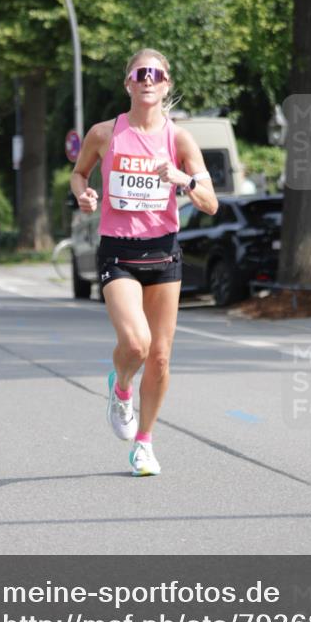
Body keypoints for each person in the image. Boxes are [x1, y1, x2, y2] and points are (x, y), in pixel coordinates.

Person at [70, 49, 218, 476]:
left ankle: (145, 443)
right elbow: (79, 173)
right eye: (141, 73)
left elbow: (210, 204)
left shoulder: (180, 139)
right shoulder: (105, 133)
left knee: (161, 356)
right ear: (129, 83)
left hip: (165, 252)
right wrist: (83, 193)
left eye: (156, 74)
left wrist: (183, 179)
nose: (148, 80)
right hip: (118, 251)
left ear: (166, 83)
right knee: (136, 344)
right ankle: (120, 390)